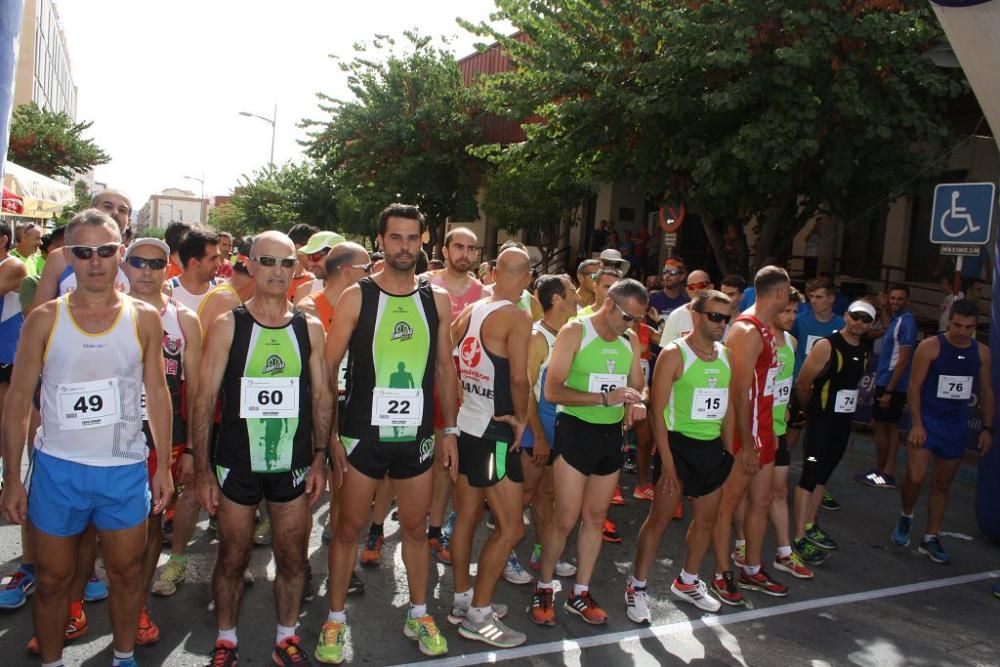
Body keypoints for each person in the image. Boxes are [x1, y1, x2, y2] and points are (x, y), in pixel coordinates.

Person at [1, 208, 173, 667]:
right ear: (67, 255)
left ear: (120, 252)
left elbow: (157, 393)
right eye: (83, 252)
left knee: (126, 574)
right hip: (59, 470)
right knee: (55, 580)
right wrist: (12, 480)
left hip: (123, 470)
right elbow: (18, 402)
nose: (95, 261)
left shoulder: (144, 318)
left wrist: (167, 469)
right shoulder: (44, 319)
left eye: (105, 251)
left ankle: (122, 658)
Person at [318, 204, 459, 663]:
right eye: (396, 238)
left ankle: (419, 612)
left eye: (412, 238)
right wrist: (330, 435)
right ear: (381, 241)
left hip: (416, 436)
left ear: (423, 243)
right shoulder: (357, 297)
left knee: (416, 529)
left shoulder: (435, 300)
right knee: (347, 531)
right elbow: (326, 368)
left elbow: (444, 368)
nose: (404, 247)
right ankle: (335, 621)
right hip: (362, 435)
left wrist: (450, 430)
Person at [193, 230, 332, 666]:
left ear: (296, 269)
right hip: (237, 463)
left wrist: (319, 456)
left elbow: (323, 396)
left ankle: (286, 637)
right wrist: (201, 470)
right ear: (249, 265)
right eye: (267, 261)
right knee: (232, 557)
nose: (277, 271)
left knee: (292, 557)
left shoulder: (308, 327)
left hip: (291, 463)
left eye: (286, 263)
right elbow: (204, 399)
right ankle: (227, 639)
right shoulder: (228, 324)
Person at [529, 279, 648, 626]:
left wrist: (636, 401)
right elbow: (552, 390)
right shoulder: (575, 331)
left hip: (610, 434)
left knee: (595, 517)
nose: (632, 325)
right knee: (565, 517)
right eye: (628, 316)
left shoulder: (629, 340)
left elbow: (639, 384)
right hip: (576, 430)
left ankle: (580, 592)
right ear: (609, 304)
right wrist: (604, 399)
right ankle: (544, 586)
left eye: (637, 320)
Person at [625, 290, 734, 623]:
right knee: (658, 520)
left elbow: (727, 408)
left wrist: (729, 451)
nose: (721, 324)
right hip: (678, 446)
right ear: (697, 316)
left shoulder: (726, 355)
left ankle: (687, 580)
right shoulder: (675, 354)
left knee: (706, 520)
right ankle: (637, 587)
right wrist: (668, 462)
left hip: (711, 449)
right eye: (715, 316)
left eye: (726, 318)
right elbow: (656, 412)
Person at [448, 247, 532, 647]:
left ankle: (463, 599)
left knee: (466, 516)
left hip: (468, 425)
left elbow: (451, 364)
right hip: (494, 431)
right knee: (512, 527)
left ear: (495, 272)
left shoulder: (471, 310)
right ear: (528, 278)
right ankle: (478, 615)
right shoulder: (516, 316)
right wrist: (522, 419)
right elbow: (519, 378)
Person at [123, 237, 202, 645]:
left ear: (168, 266)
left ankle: (136, 607)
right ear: (125, 264)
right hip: (108, 436)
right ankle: (73, 606)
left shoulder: (184, 318)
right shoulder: (104, 309)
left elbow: (196, 388)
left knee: (152, 521)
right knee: (90, 530)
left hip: (159, 437)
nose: (147, 271)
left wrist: (188, 448)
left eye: (156, 263)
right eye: (138, 262)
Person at [711, 265, 790, 606]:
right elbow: (738, 393)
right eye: (788, 292)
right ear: (779, 293)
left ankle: (753, 567)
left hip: (765, 430)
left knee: (761, 501)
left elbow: (763, 388)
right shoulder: (746, 329)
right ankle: (721, 572)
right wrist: (743, 444)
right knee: (727, 506)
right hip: (748, 436)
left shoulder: (768, 329)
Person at [891, 299, 993, 564]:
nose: (961, 331)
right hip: (928, 420)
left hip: (956, 426)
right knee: (915, 477)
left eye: (968, 327)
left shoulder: (981, 352)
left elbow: (987, 392)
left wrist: (987, 428)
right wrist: (917, 423)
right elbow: (914, 387)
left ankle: (930, 537)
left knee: (943, 483)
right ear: (950, 321)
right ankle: (906, 515)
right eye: (957, 325)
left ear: (975, 326)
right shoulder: (930, 347)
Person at [791, 301, 873, 565]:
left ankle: (811, 524)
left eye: (866, 320)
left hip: (842, 423)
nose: (859, 323)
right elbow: (803, 383)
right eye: (856, 317)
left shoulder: (864, 349)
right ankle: (799, 536)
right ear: (846, 316)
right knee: (809, 476)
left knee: (823, 476)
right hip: (821, 422)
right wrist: (809, 411)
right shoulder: (827, 345)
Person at [426, 227, 486, 564]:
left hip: (465, 387)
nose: (464, 254)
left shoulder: (483, 293)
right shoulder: (424, 284)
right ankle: (394, 528)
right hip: (423, 384)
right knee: (421, 461)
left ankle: (438, 530)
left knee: (449, 462)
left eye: (471, 248)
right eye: (458, 247)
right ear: (445, 250)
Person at [523, 275, 579, 578]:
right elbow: (526, 390)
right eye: (571, 291)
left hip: (563, 431)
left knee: (546, 496)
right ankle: (505, 556)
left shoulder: (573, 333)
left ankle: (543, 551)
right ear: (556, 299)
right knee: (522, 496)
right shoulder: (537, 337)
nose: (576, 295)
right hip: (537, 433)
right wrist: (540, 437)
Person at [859, 285, 917, 489]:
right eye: (892, 298)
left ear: (907, 301)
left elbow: (903, 359)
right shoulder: (896, 320)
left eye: (900, 299)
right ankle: (881, 470)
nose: (895, 302)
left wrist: (890, 390)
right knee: (882, 426)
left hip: (892, 384)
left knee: (888, 428)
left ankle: (886, 473)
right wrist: (883, 307)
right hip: (885, 381)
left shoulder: (907, 323)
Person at [166, 228, 221, 313]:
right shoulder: (167, 292)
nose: (219, 264)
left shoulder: (222, 289)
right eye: (213, 258)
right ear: (194, 262)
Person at [660, 270, 714, 343]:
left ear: (711, 287)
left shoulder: (723, 314)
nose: (696, 290)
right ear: (687, 290)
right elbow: (666, 348)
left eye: (701, 285)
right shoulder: (676, 316)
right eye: (691, 287)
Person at [293, 231, 344, 304]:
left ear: (336, 255)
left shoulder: (360, 292)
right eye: (309, 257)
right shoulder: (305, 291)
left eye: (315, 256)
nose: (310, 265)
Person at [648, 258, 689, 322]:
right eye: (665, 272)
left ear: (682, 276)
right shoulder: (651, 298)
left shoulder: (687, 303)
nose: (667, 275)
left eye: (672, 272)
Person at [286, 223, 319, 301]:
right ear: (297, 247)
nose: (315, 254)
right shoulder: (277, 278)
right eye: (312, 248)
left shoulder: (313, 280)